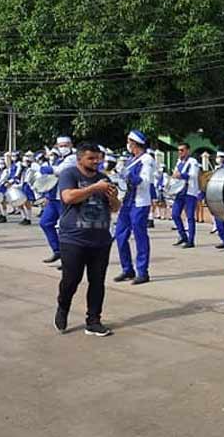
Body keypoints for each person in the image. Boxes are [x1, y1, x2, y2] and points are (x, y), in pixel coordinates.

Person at [55, 143, 120, 336]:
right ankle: (63, 307)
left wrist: (113, 198)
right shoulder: (70, 174)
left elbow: (115, 208)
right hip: (73, 239)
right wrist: (94, 188)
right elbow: (68, 197)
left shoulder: (104, 178)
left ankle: (93, 320)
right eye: (91, 158)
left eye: (98, 158)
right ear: (80, 159)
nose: (96, 162)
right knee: (71, 280)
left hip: (100, 240)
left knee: (97, 281)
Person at [113, 130, 156, 284]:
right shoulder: (132, 160)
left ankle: (143, 272)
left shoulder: (147, 160)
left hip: (140, 203)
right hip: (128, 202)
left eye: (129, 142)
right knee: (120, 235)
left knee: (140, 237)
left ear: (134, 143)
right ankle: (127, 269)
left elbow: (144, 181)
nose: (128, 145)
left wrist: (127, 175)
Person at [170, 143, 201, 248]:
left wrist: (181, 175)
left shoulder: (193, 162)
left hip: (189, 192)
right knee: (174, 214)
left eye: (182, 150)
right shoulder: (179, 162)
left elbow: (194, 175)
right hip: (179, 192)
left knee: (190, 217)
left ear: (188, 150)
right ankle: (183, 236)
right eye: (178, 150)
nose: (180, 152)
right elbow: (175, 174)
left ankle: (191, 240)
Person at [38, 157, 63, 264]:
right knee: (45, 223)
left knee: (66, 229)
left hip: (64, 198)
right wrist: (47, 196)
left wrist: (47, 168)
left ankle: (69, 258)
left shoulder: (71, 159)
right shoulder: (55, 161)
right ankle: (57, 250)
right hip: (53, 198)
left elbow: (56, 170)